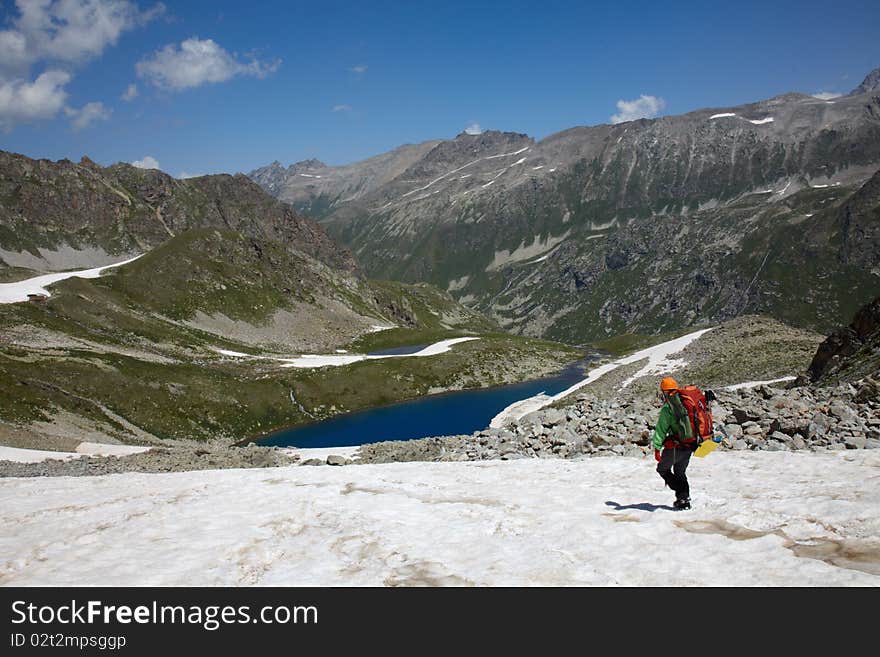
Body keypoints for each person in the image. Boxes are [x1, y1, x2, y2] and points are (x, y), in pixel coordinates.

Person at [652, 377, 695, 510]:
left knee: (662, 469)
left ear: (664, 392)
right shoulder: (688, 401)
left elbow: (661, 429)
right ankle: (684, 499)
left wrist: (657, 447)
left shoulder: (668, 408)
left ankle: (682, 497)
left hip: (676, 446)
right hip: (691, 444)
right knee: (680, 472)